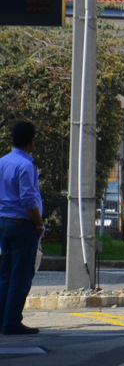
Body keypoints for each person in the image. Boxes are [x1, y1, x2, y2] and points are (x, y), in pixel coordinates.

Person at [0, 120, 43, 335]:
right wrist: (39, 223)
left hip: (4, 222)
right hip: (22, 224)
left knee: (5, 273)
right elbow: (28, 199)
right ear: (31, 141)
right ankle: (12, 321)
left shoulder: (3, 162)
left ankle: (2, 319)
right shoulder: (26, 165)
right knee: (21, 274)